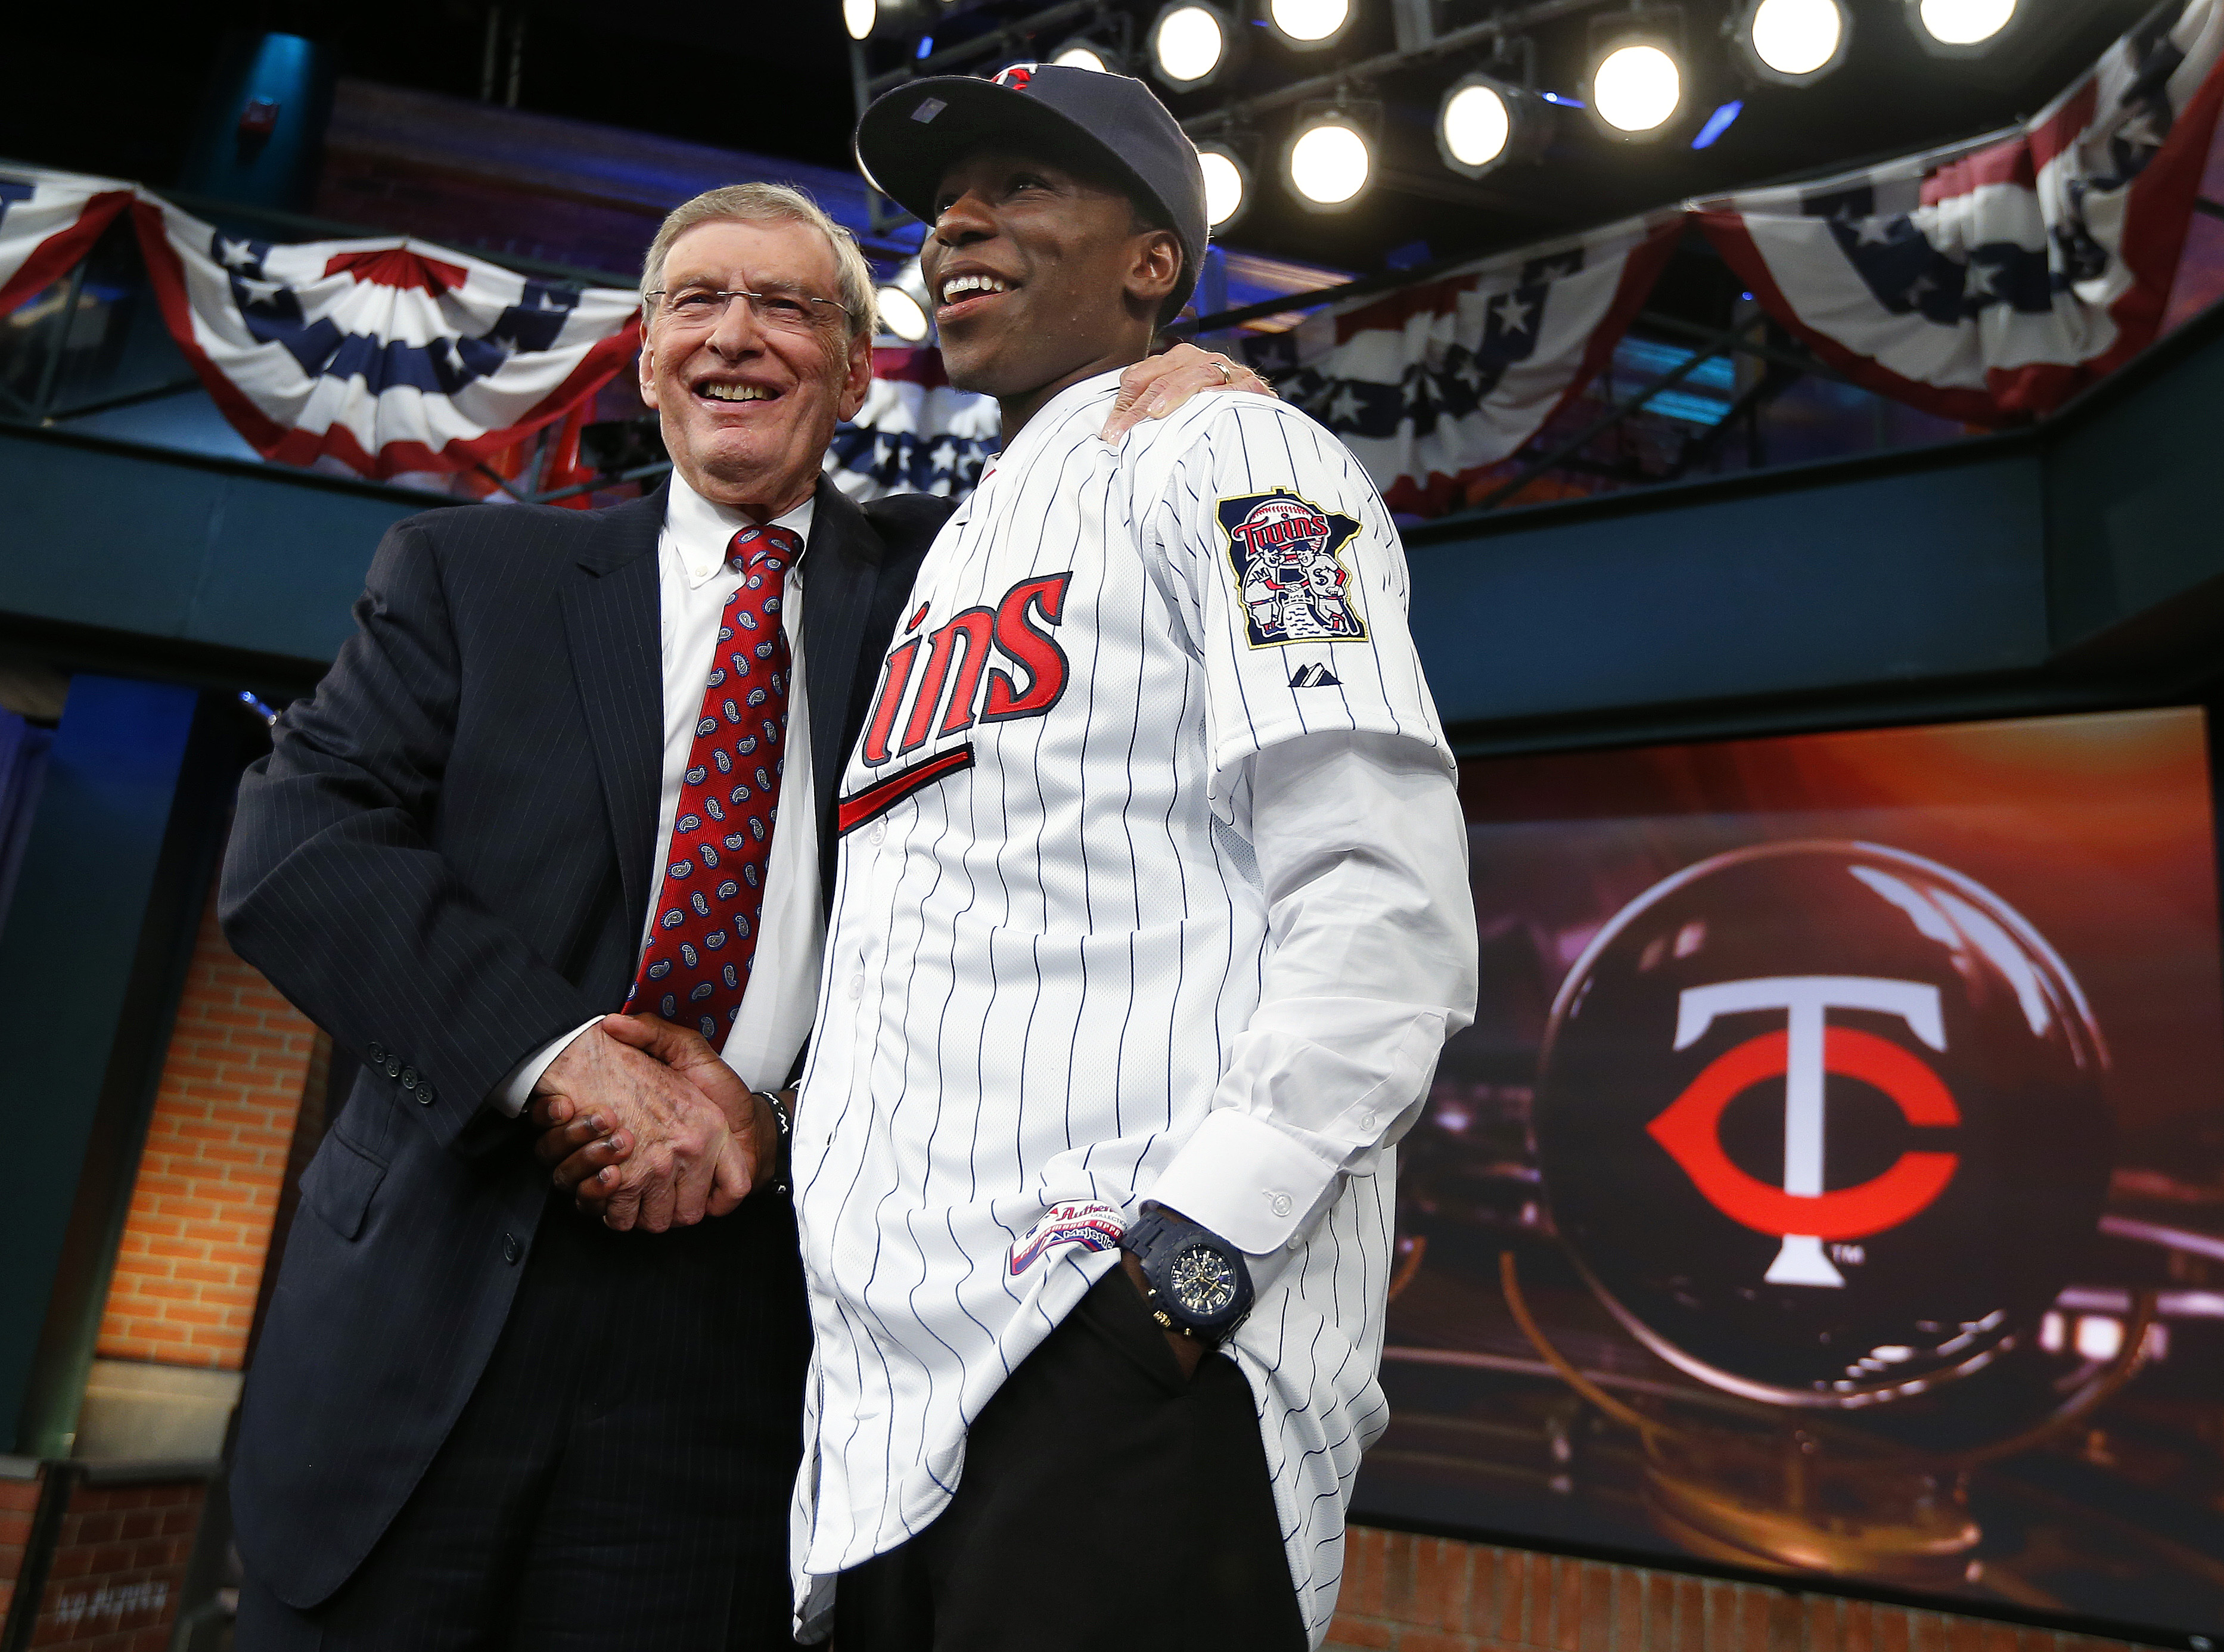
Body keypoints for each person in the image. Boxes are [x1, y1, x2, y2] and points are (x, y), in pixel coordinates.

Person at [218, 176, 1265, 1648]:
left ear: (853, 369)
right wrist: (556, 1057)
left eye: (788, 305)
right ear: (646, 357)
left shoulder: (952, 589)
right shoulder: (469, 574)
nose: (737, 333)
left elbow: (1042, 874)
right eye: (698, 301)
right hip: (431, 1305)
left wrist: (1180, 396)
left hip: (750, 1340)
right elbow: (294, 843)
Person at [562, 67, 1478, 1650]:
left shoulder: (1242, 464)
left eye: (1028, 185)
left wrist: (1190, 1264)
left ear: (1152, 261)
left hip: (1113, 1349)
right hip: (890, 1399)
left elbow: (1382, 900)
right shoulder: (948, 550)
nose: (961, 219)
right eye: (950, 197)